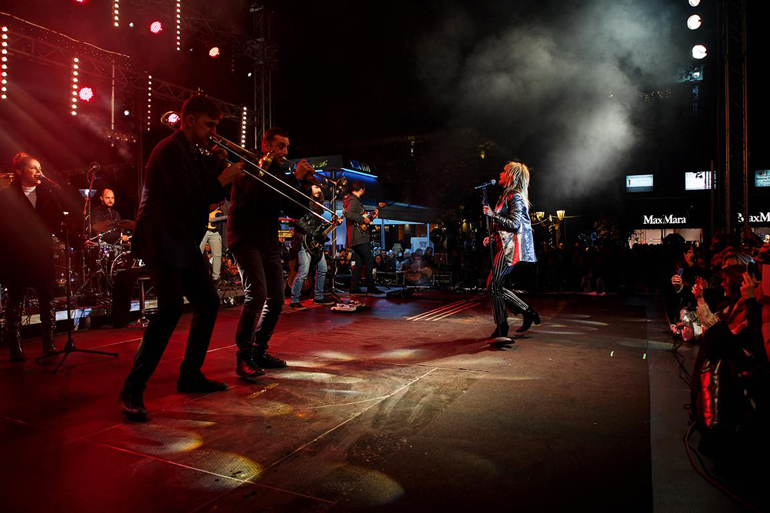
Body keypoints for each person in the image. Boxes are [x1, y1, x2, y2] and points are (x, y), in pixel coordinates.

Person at [118, 95, 245, 421]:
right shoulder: (170, 150)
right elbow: (189, 198)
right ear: (189, 121)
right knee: (171, 309)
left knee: (208, 302)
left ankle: (190, 374)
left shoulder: (192, 151)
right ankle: (132, 389)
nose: (213, 132)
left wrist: (217, 166)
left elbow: (205, 190)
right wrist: (223, 178)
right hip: (162, 237)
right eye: (209, 125)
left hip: (181, 239)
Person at [228, 127, 314, 379]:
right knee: (256, 295)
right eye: (280, 146)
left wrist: (305, 185)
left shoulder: (279, 174)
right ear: (267, 146)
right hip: (245, 238)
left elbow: (295, 210)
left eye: (287, 147)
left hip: (267, 240)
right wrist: (295, 179)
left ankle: (258, 350)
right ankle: (243, 356)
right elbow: (260, 195)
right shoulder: (248, 164)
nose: (285, 152)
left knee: (277, 300)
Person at [0, 153, 66, 360]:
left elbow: (58, 223)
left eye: (40, 168)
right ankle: (15, 344)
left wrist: (78, 240)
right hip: (17, 253)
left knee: (47, 296)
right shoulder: (5, 196)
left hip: (41, 252)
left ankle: (49, 342)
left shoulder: (47, 194)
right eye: (33, 168)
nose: (38, 171)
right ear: (19, 171)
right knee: (16, 297)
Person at [483, 161, 540, 339]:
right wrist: (493, 237)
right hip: (504, 245)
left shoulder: (515, 196)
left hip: (510, 248)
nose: (500, 173)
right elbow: (506, 226)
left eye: (504, 171)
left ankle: (503, 325)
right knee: (494, 286)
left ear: (512, 176)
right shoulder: (506, 195)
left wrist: (493, 215)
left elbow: (515, 224)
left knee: (494, 285)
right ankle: (526, 312)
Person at [289, 183, 338, 308]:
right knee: (303, 272)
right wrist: (315, 234)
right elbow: (300, 222)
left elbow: (318, 227)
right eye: (316, 187)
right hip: (304, 241)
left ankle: (319, 297)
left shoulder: (318, 206)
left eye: (319, 187)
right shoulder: (304, 203)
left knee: (323, 269)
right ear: (309, 188)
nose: (319, 189)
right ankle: (294, 299)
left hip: (315, 243)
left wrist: (332, 224)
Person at [344, 181, 383, 294]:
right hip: (359, 237)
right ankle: (370, 286)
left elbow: (362, 219)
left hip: (355, 237)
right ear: (361, 189)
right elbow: (349, 214)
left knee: (359, 263)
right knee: (369, 260)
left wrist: (372, 216)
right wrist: (363, 219)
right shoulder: (354, 201)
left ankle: (354, 287)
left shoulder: (351, 200)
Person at [200, 202, 226, 282]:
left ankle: (216, 278)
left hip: (215, 232)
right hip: (202, 231)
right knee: (198, 254)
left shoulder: (221, 206)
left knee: (217, 256)